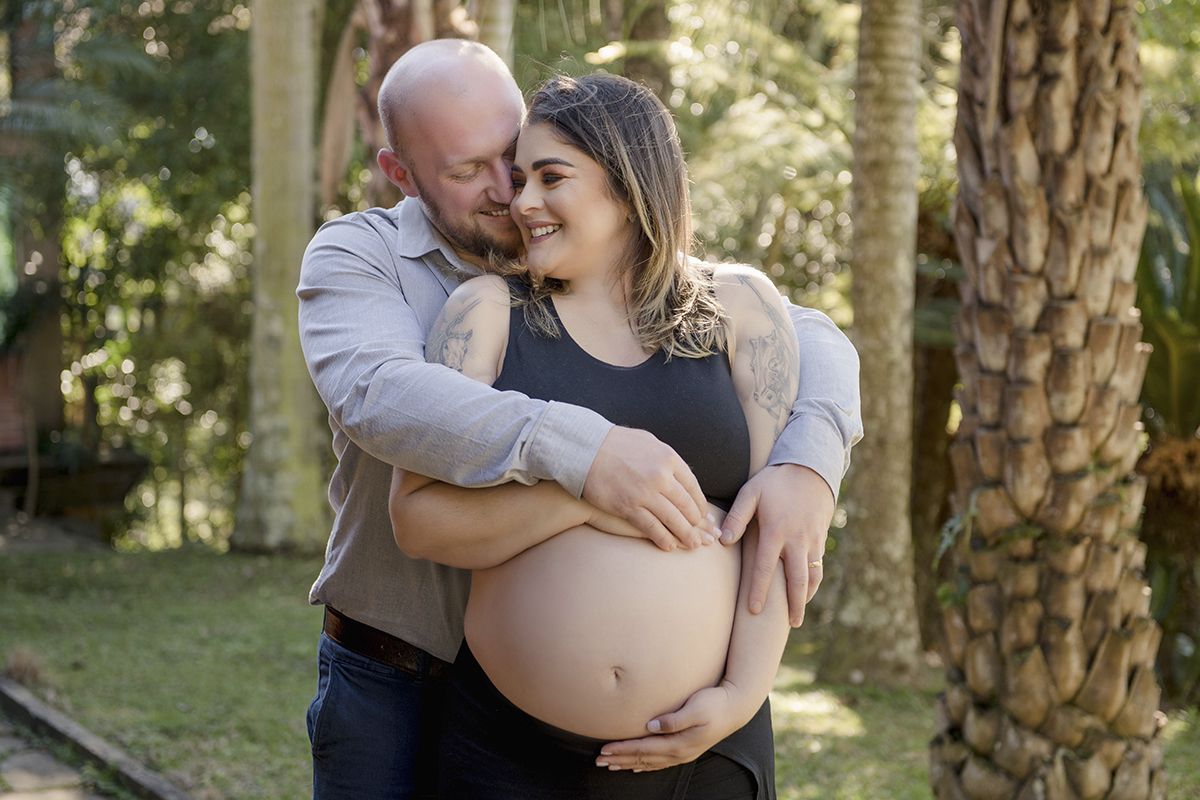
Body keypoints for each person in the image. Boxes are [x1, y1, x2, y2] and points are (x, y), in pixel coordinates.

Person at [297, 39, 861, 800]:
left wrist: (809, 462)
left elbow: (810, 336)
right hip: (402, 675)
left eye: (521, 159)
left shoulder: (672, 288)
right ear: (400, 173)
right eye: (469, 172)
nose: (509, 193)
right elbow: (378, 393)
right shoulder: (365, 258)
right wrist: (586, 464)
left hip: (661, 732)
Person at [389, 71, 798, 799]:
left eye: (551, 177)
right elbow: (417, 521)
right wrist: (583, 499)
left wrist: (739, 695)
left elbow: (780, 529)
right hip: (509, 756)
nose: (521, 202)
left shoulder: (739, 309)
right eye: (520, 180)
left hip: (705, 753)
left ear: (628, 181)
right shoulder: (483, 312)